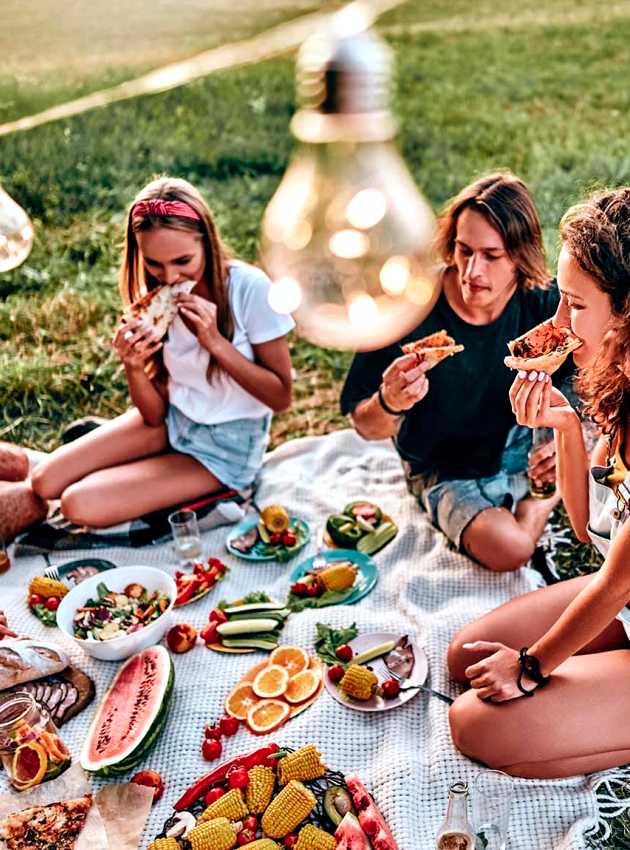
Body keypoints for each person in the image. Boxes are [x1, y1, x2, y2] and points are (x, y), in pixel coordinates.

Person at [447, 187, 630, 778]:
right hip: (622, 596)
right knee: (463, 659)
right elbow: (587, 530)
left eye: (573, 306)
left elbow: (616, 585)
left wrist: (530, 666)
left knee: (473, 722)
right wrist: (565, 427)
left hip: (620, 595)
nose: (557, 324)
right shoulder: (615, 380)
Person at [11, 176, 294, 528]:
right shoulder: (154, 300)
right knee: (44, 480)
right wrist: (132, 365)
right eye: (155, 264)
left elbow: (281, 397)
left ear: (207, 241)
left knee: (77, 505)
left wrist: (215, 343)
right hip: (172, 419)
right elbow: (153, 414)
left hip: (226, 447)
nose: (170, 276)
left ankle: (215, 494)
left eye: (182, 260)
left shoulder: (249, 290)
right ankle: (136, 468)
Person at [340, 172, 570, 571]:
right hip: (443, 464)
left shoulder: (542, 304)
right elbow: (364, 424)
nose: (471, 271)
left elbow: (590, 380)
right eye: (464, 251)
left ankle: (551, 483)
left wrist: (565, 438)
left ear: (520, 256)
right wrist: (390, 402)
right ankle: (547, 499)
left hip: (519, 444)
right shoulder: (408, 306)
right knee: (511, 550)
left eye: (491, 255)